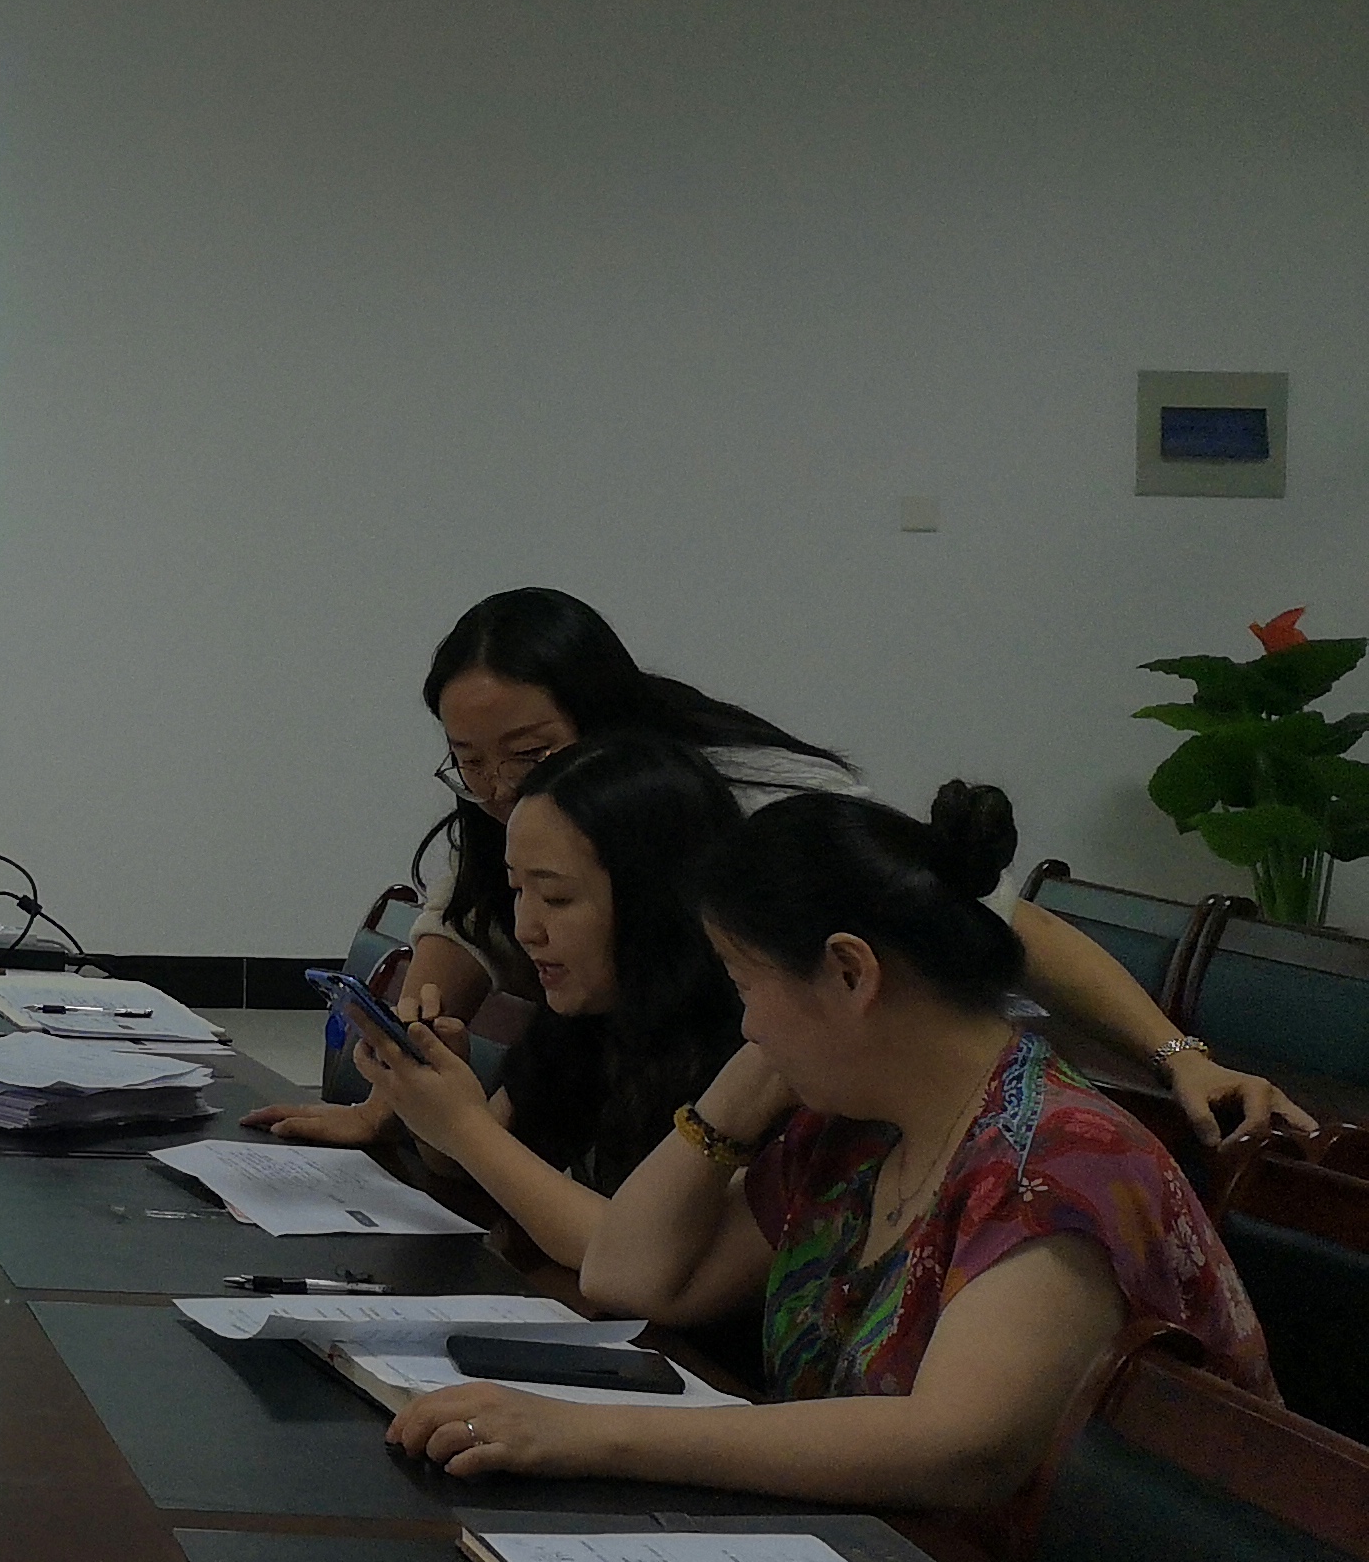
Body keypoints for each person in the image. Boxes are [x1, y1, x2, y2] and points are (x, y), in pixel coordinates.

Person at [388, 782, 1275, 1508]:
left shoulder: (1061, 1159)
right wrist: (745, 1085)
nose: (744, 1023)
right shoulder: (853, 1133)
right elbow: (632, 1276)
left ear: (851, 973)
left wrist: (589, 1434)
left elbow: (954, 1446)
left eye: (746, 985)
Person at [336, 588, 1301, 1147]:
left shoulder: (759, 803)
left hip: (886, 1086)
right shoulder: (536, 826)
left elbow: (987, 912)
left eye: (529, 754)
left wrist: (1179, 1056)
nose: (497, 789)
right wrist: (394, 1094)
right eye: (468, 762)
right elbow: (459, 918)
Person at [257, 733, 741, 1272]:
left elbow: (632, 1258)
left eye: (556, 897)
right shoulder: (584, 1022)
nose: (526, 928)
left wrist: (464, 1126)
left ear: (658, 898)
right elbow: (471, 1166)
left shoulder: (740, 1050)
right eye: (516, 890)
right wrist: (431, 1094)